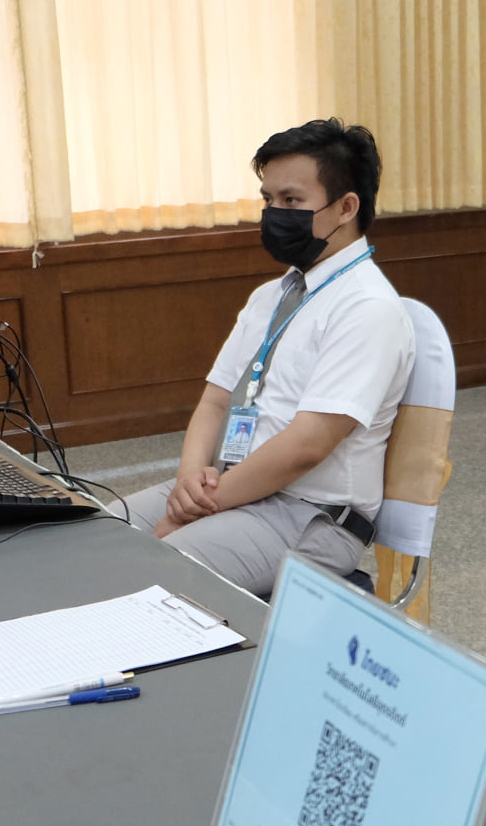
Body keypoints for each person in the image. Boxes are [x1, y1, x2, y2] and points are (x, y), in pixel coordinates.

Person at [127, 119, 415, 596]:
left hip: (308, 515)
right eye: (268, 200)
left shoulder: (367, 308)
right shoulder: (272, 295)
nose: (275, 213)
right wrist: (187, 482)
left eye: (292, 201)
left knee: (151, 573)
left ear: (346, 207)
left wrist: (202, 506)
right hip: (227, 487)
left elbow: (308, 445)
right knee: (93, 534)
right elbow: (216, 402)